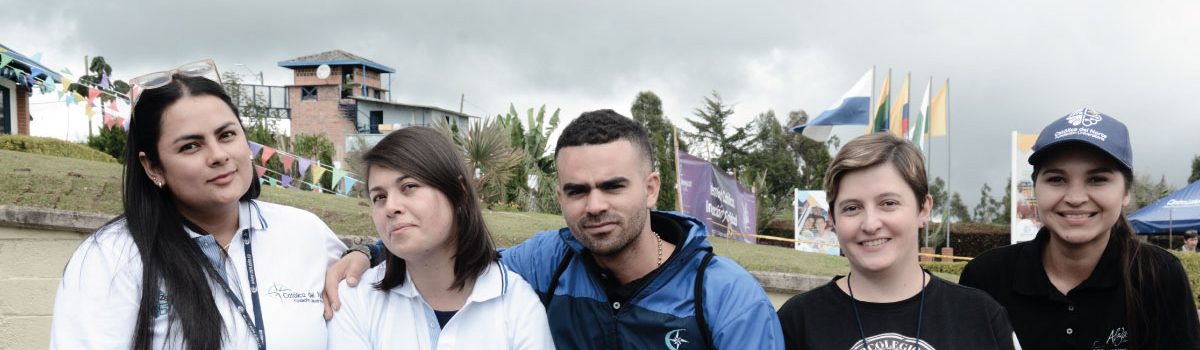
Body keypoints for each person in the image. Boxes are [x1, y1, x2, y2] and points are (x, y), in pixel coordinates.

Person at [326, 109, 784, 349]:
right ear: (560, 197)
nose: (595, 205)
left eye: (612, 186)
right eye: (577, 190)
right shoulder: (552, 260)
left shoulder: (724, 296)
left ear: (650, 188)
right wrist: (375, 253)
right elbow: (455, 259)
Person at [50, 60, 347, 349]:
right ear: (153, 167)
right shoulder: (112, 258)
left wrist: (362, 256)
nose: (218, 155)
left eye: (227, 135)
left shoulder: (305, 232)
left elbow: (372, 284)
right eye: (190, 146)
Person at [960, 108, 1200, 349]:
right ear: (1035, 189)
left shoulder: (1159, 275)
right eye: (1056, 179)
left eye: (1097, 180)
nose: (1075, 198)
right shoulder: (985, 277)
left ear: (1126, 192)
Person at [776, 133, 1016, 350]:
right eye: (851, 208)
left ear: (923, 209)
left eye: (888, 203)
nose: (870, 224)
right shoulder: (797, 322)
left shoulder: (980, 315)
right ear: (833, 220)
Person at [326, 127, 554, 349]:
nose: (391, 207)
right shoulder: (356, 300)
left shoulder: (517, 304)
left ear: (459, 192)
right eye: (379, 197)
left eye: (409, 186)